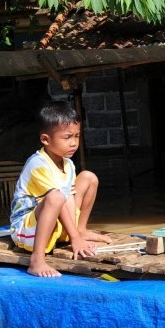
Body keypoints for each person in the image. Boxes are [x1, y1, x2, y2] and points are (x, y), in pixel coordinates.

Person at [9, 101, 112, 277]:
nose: (73, 143)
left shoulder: (68, 164)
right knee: (56, 196)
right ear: (45, 140)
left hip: (55, 216)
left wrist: (77, 235)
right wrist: (75, 240)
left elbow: (69, 198)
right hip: (27, 228)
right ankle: (37, 259)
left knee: (88, 177)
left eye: (77, 136)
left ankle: (80, 229)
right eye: (67, 137)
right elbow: (58, 200)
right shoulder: (38, 164)